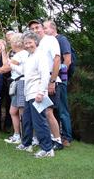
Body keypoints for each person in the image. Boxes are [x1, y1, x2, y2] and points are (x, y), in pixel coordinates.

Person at [16, 31, 55, 158]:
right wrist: (10, 64)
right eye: (25, 43)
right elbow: (23, 71)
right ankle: (27, 144)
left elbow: (45, 75)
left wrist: (41, 92)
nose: (27, 45)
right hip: (28, 94)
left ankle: (47, 149)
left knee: (39, 122)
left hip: (36, 93)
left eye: (30, 42)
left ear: (36, 42)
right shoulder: (29, 56)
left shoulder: (40, 55)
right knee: (26, 121)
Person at [28, 19, 63, 150]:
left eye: (37, 27)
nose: (35, 30)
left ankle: (58, 140)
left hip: (50, 79)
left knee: (48, 111)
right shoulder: (35, 44)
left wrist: (52, 81)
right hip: (39, 81)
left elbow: (57, 59)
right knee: (40, 111)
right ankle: (45, 138)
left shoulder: (50, 40)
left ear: (42, 28)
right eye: (32, 29)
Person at [43, 20, 73, 147]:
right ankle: (56, 136)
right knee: (53, 110)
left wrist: (58, 77)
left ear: (53, 28)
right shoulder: (46, 42)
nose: (43, 30)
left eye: (45, 28)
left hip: (59, 80)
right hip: (51, 79)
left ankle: (67, 138)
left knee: (62, 109)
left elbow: (67, 60)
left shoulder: (61, 39)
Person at [4, 33, 28, 144]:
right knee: (14, 111)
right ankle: (19, 135)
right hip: (19, 82)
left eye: (11, 42)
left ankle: (23, 137)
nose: (11, 44)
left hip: (21, 83)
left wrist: (4, 52)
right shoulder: (22, 54)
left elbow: (6, 67)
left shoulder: (20, 54)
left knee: (20, 111)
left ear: (15, 43)